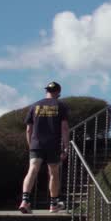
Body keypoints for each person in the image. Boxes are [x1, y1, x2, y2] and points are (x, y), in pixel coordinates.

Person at [19, 81, 71, 214]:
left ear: (46, 91)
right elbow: (64, 128)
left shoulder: (35, 106)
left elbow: (28, 129)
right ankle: (53, 205)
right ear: (58, 92)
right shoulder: (61, 105)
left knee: (32, 170)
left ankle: (25, 201)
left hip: (36, 144)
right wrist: (66, 146)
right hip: (52, 144)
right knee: (54, 173)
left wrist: (31, 145)